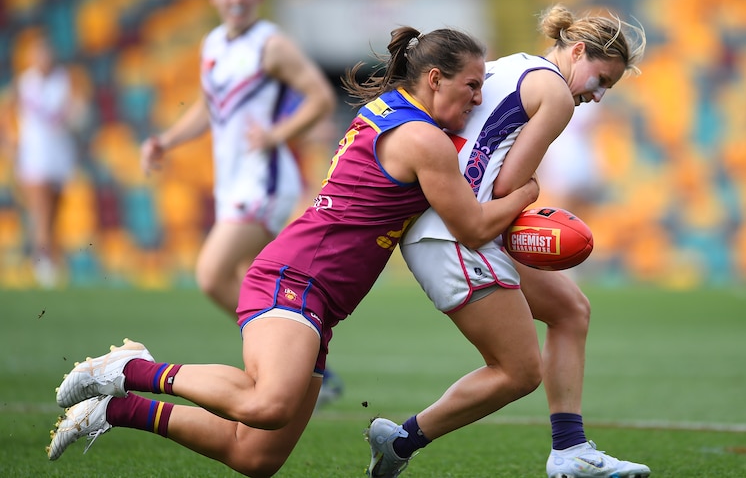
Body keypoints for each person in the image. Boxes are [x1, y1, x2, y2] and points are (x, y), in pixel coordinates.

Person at [47, 26, 540, 478]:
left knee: (254, 455)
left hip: (316, 296)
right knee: (267, 405)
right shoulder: (422, 138)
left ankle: (114, 410)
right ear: (435, 78)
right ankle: (128, 369)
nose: (479, 98)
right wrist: (525, 193)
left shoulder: (393, 111)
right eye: (472, 85)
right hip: (296, 277)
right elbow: (473, 228)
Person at [386, 4, 650, 478]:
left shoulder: (512, 65)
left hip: (454, 225)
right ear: (578, 50)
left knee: (571, 310)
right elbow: (511, 186)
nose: (598, 94)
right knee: (519, 372)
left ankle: (570, 450)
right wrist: (533, 192)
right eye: (601, 79)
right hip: (455, 237)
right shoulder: (557, 95)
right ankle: (402, 441)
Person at [138, 0, 345, 407]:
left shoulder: (271, 45)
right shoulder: (214, 43)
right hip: (232, 182)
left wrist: (276, 135)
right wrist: (167, 141)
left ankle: (292, 361)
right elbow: (209, 106)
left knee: (213, 275)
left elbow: (320, 97)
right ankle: (298, 365)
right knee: (246, 277)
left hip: (264, 181)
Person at [0, 31, 85, 288]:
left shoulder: (64, 79)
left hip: (59, 155)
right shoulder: (24, 82)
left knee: (54, 211)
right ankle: (43, 262)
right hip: (34, 156)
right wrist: (9, 144)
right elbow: (6, 110)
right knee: (42, 209)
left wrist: (75, 116)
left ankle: (46, 257)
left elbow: (76, 109)